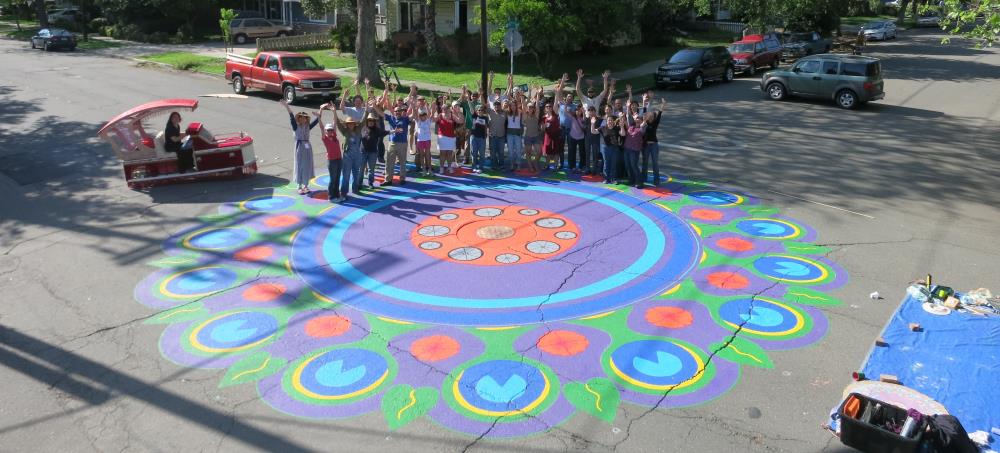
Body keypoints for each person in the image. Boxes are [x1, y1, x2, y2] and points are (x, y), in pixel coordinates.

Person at [281, 99, 320, 195]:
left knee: (307, 165)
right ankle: (299, 186)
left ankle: (306, 186)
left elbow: (317, 121)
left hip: (307, 148)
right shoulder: (295, 126)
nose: (303, 119)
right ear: (298, 119)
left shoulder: (308, 127)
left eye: (305, 117)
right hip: (299, 147)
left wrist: (320, 111)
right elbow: (291, 116)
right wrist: (287, 106)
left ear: (306, 119)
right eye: (301, 117)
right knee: (299, 165)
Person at [385, 85, 415, 186]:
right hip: (392, 142)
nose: (397, 112)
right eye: (396, 111)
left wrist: (413, 106)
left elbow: (412, 115)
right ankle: (388, 179)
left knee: (402, 162)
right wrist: (387, 90)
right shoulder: (391, 118)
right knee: (390, 162)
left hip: (402, 143)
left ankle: (402, 178)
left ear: (402, 112)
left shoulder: (405, 119)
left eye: (399, 111)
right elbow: (383, 110)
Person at [333, 106, 364, 197]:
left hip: (357, 155)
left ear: (354, 124)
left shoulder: (358, 131)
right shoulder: (344, 131)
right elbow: (338, 122)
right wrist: (334, 111)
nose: (350, 125)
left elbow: (363, 121)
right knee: (346, 174)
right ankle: (344, 192)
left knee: (356, 173)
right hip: (347, 155)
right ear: (346, 124)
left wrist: (367, 111)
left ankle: (355, 189)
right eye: (349, 124)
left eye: (352, 123)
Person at [317, 104, 343, 202]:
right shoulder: (325, 138)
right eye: (328, 130)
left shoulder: (334, 136)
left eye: (331, 130)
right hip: (332, 161)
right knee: (333, 179)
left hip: (339, 159)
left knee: (337, 178)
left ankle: (337, 195)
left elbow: (335, 122)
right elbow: (321, 127)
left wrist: (334, 111)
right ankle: (331, 197)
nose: (331, 131)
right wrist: (320, 113)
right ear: (326, 131)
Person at [641, 98, 667, 187]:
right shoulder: (645, 122)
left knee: (655, 163)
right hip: (646, 146)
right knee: (645, 162)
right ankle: (643, 178)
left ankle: (656, 180)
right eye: (649, 115)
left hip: (654, 145)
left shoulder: (655, 123)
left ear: (654, 117)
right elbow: (644, 111)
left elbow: (660, 113)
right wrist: (644, 101)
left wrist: (663, 104)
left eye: (652, 116)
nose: (650, 117)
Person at [360, 111, 388, 188]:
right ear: (367, 121)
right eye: (369, 120)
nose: (371, 122)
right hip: (363, 152)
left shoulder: (377, 130)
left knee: (371, 170)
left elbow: (385, 132)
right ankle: (359, 183)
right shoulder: (362, 128)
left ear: (374, 122)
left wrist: (394, 131)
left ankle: (370, 183)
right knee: (361, 169)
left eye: (372, 120)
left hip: (373, 152)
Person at [599, 104, 625, 184]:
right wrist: (592, 124)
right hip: (605, 148)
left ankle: (613, 179)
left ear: (613, 122)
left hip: (614, 148)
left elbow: (623, 134)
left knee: (613, 163)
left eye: (611, 120)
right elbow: (593, 131)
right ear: (606, 122)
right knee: (606, 163)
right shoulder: (603, 128)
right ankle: (606, 178)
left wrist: (622, 127)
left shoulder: (616, 128)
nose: (610, 121)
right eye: (608, 120)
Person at [622, 105, 646, 188]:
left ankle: (639, 181)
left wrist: (643, 120)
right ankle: (631, 179)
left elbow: (643, 123)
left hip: (634, 151)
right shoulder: (631, 126)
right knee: (628, 165)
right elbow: (628, 117)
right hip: (627, 149)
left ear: (642, 120)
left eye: (639, 118)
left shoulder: (642, 128)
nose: (637, 119)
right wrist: (628, 107)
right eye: (637, 118)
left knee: (634, 166)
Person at [521, 89, 543, 173]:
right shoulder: (525, 116)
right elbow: (523, 105)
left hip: (536, 136)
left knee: (539, 152)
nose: (531, 108)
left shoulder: (536, 115)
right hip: (528, 137)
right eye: (529, 107)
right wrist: (522, 96)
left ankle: (535, 162)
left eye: (532, 107)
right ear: (527, 108)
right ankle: (530, 166)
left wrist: (538, 94)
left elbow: (537, 105)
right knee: (528, 153)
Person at [436, 101, 460, 174]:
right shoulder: (440, 115)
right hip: (442, 137)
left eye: (446, 108)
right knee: (442, 153)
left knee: (449, 153)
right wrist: (432, 110)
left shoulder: (453, 116)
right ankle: (441, 168)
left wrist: (458, 112)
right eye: (443, 108)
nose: (445, 110)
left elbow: (460, 121)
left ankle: (449, 167)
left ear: (449, 109)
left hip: (451, 137)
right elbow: (433, 120)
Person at [486, 99, 507, 170]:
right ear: (493, 106)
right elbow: (484, 105)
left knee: (501, 152)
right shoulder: (491, 112)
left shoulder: (505, 113)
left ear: (500, 106)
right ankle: (493, 165)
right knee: (493, 152)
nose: (497, 107)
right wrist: (482, 94)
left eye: (498, 105)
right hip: (493, 136)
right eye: (495, 105)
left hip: (501, 136)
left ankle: (501, 165)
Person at [541, 102, 562, 170]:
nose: (548, 107)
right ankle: (547, 165)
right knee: (547, 152)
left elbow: (556, 103)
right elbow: (542, 129)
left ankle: (555, 166)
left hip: (556, 136)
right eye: (547, 106)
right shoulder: (543, 117)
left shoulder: (555, 115)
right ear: (545, 108)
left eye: (550, 106)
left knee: (556, 152)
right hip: (548, 137)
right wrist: (543, 126)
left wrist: (557, 93)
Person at [504, 98, 523, 172]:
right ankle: (512, 164)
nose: (513, 107)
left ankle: (518, 164)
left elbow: (524, 106)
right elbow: (503, 107)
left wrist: (522, 97)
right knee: (510, 150)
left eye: (514, 105)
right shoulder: (507, 112)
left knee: (518, 150)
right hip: (509, 134)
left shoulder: (519, 112)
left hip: (517, 133)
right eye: (511, 105)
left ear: (516, 105)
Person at [566, 104, 587, 172]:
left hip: (581, 137)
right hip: (573, 137)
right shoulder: (573, 117)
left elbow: (584, 123)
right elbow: (566, 112)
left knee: (582, 152)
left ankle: (581, 166)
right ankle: (573, 166)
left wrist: (584, 112)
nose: (578, 112)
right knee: (572, 152)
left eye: (579, 111)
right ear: (575, 111)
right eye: (577, 111)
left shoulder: (582, 118)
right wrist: (566, 105)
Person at [414, 108, 434, 176]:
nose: (423, 117)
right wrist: (414, 107)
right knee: (422, 155)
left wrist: (432, 106)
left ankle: (430, 170)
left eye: (425, 115)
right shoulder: (418, 122)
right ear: (420, 116)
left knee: (428, 155)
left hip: (427, 140)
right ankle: (424, 170)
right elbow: (415, 114)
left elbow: (432, 112)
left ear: (426, 115)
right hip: (420, 141)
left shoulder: (428, 121)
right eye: (421, 115)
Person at [470, 102, 489, 173]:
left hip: (482, 138)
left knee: (482, 154)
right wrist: (468, 99)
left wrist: (485, 135)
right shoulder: (474, 116)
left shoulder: (485, 118)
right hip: (474, 137)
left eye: (481, 110)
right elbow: (471, 108)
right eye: (478, 110)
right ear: (476, 111)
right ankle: (474, 167)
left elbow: (486, 127)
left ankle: (481, 167)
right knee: (474, 153)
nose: (480, 111)